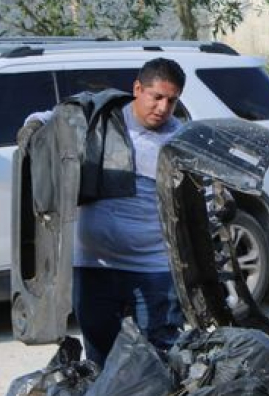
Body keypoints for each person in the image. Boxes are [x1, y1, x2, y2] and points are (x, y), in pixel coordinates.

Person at [20, 58, 187, 367]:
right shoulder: (100, 117)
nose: (164, 108)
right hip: (94, 266)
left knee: (158, 357)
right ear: (138, 89)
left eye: (172, 100)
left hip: (152, 268)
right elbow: (48, 118)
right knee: (100, 356)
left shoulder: (181, 139)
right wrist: (33, 129)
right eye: (157, 97)